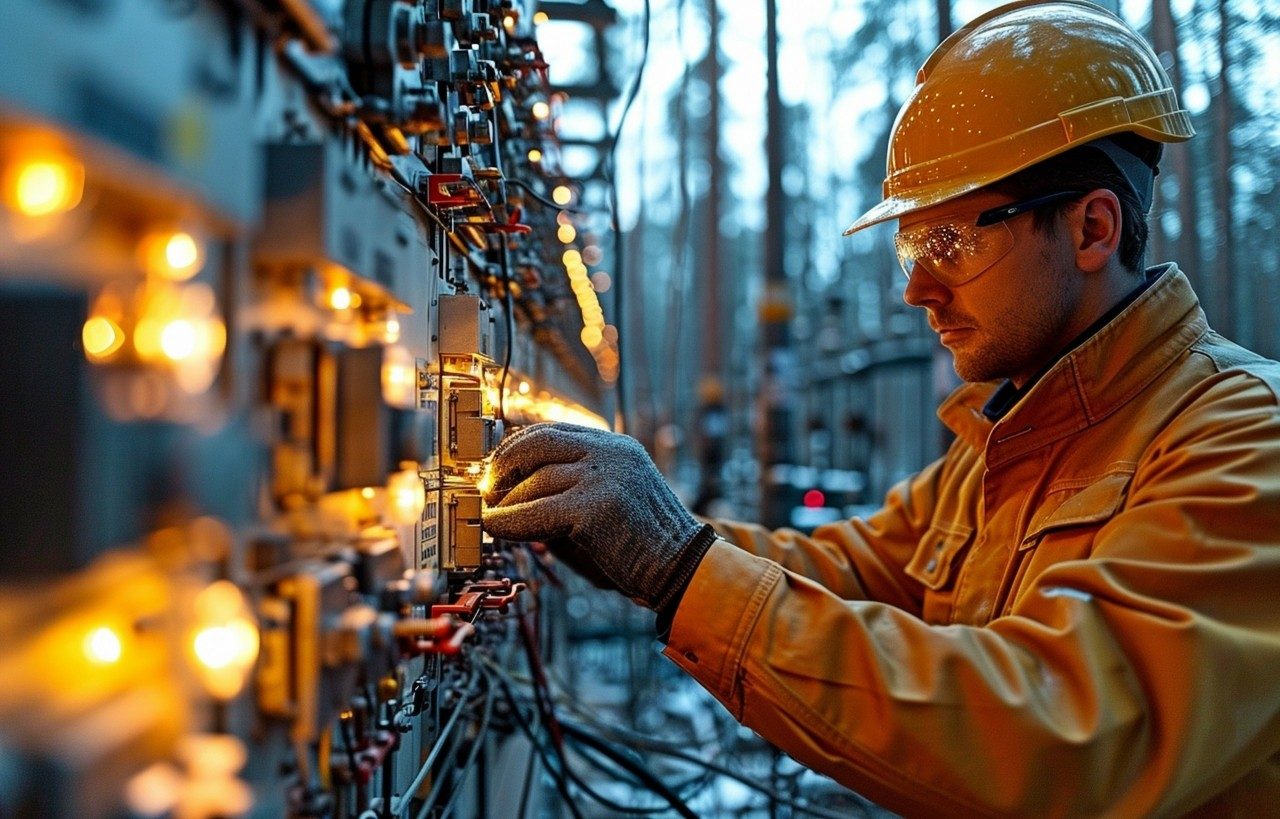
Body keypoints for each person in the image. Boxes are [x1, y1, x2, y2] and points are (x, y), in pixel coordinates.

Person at [481, 0, 1280, 814]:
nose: (915, 288)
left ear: (1092, 229)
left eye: (949, 245)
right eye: (912, 247)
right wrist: (645, 543)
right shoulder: (1003, 442)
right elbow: (849, 571)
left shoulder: (1241, 439)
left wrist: (678, 566)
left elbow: (1067, 735)